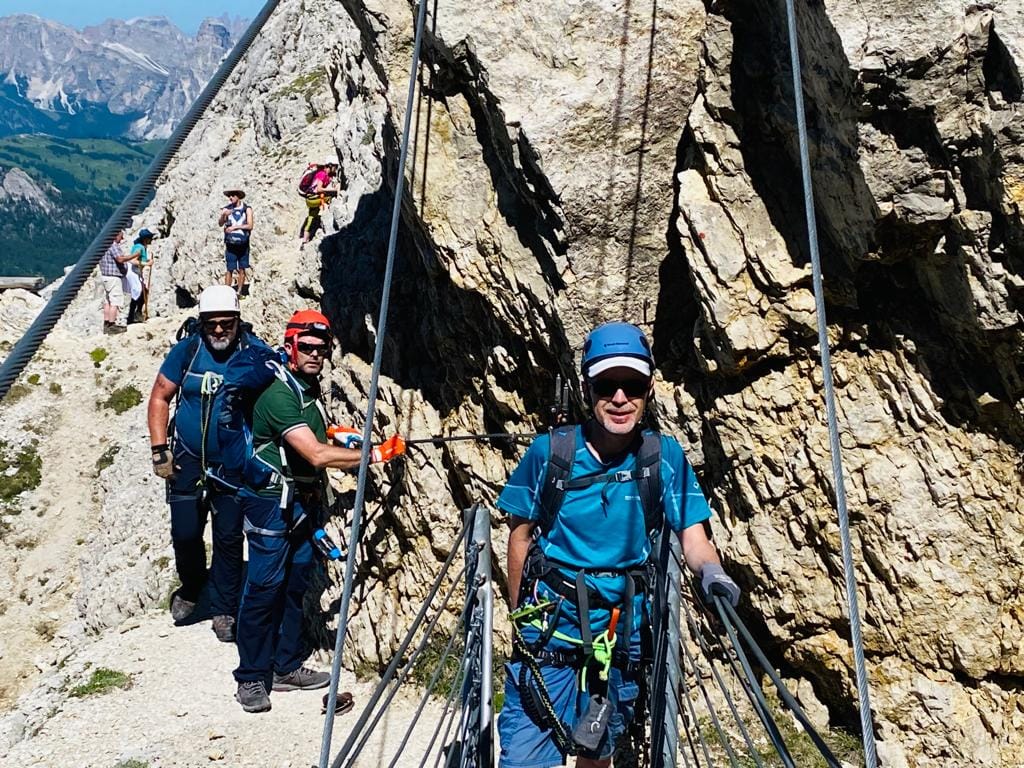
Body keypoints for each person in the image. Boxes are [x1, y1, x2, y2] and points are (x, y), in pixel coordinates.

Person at [497, 322, 741, 768]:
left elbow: (694, 537)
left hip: (619, 636)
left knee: (597, 751)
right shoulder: (550, 453)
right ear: (587, 389)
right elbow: (520, 535)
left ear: (650, 389)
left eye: (633, 385)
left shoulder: (663, 457)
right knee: (525, 759)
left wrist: (713, 574)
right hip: (550, 630)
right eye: (606, 385)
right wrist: (520, 618)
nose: (620, 398)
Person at [233, 309, 406, 713]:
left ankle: (286, 666)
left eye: (321, 348)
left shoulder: (303, 387)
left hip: (297, 502)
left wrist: (335, 434)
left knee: (295, 584)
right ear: (290, 346)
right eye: (307, 347)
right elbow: (313, 454)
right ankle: (251, 677)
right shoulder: (278, 393)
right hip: (269, 505)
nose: (315, 354)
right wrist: (374, 454)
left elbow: (307, 433)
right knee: (263, 589)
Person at [146, 285, 256, 642]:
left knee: (228, 536)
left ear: (237, 321)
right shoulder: (187, 351)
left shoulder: (253, 353)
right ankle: (193, 585)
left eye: (226, 323)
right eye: (211, 324)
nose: (219, 330)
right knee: (185, 532)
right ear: (202, 323)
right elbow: (160, 396)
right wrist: (160, 449)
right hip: (187, 459)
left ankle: (224, 607)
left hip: (232, 464)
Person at [219, 186, 254, 296]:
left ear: (238, 196)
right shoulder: (226, 209)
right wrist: (223, 215)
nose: (230, 198)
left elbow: (250, 225)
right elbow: (220, 224)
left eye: (233, 195)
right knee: (229, 268)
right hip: (230, 243)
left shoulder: (247, 209)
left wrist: (235, 227)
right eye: (229, 195)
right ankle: (227, 293)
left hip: (243, 243)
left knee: (242, 268)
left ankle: (239, 291)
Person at [298, 161, 339, 246]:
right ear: (330, 166)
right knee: (332, 197)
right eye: (335, 166)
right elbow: (319, 189)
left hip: (310, 199)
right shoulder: (322, 174)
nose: (336, 168)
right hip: (314, 199)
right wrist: (334, 190)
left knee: (311, 216)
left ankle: (304, 240)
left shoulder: (324, 174)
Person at [96, 230, 129, 334]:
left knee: (107, 301)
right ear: (115, 235)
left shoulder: (104, 245)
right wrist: (133, 256)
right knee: (115, 301)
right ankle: (112, 325)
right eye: (120, 236)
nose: (122, 239)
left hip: (105, 277)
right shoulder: (113, 245)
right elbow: (120, 259)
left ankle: (106, 324)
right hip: (113, 277)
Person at [126, 228, 155, 324]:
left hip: (137, 271)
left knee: (143, 291)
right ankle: (132, 316)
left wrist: (147, 261)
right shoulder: (139, 247)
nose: (151, 239)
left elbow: (140, 259)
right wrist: (147, 264)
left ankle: (136, 313)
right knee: (138, 291)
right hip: (133, 271)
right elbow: (133, 260)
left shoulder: (142, 246)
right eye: (150, 238)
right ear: (145, 239)